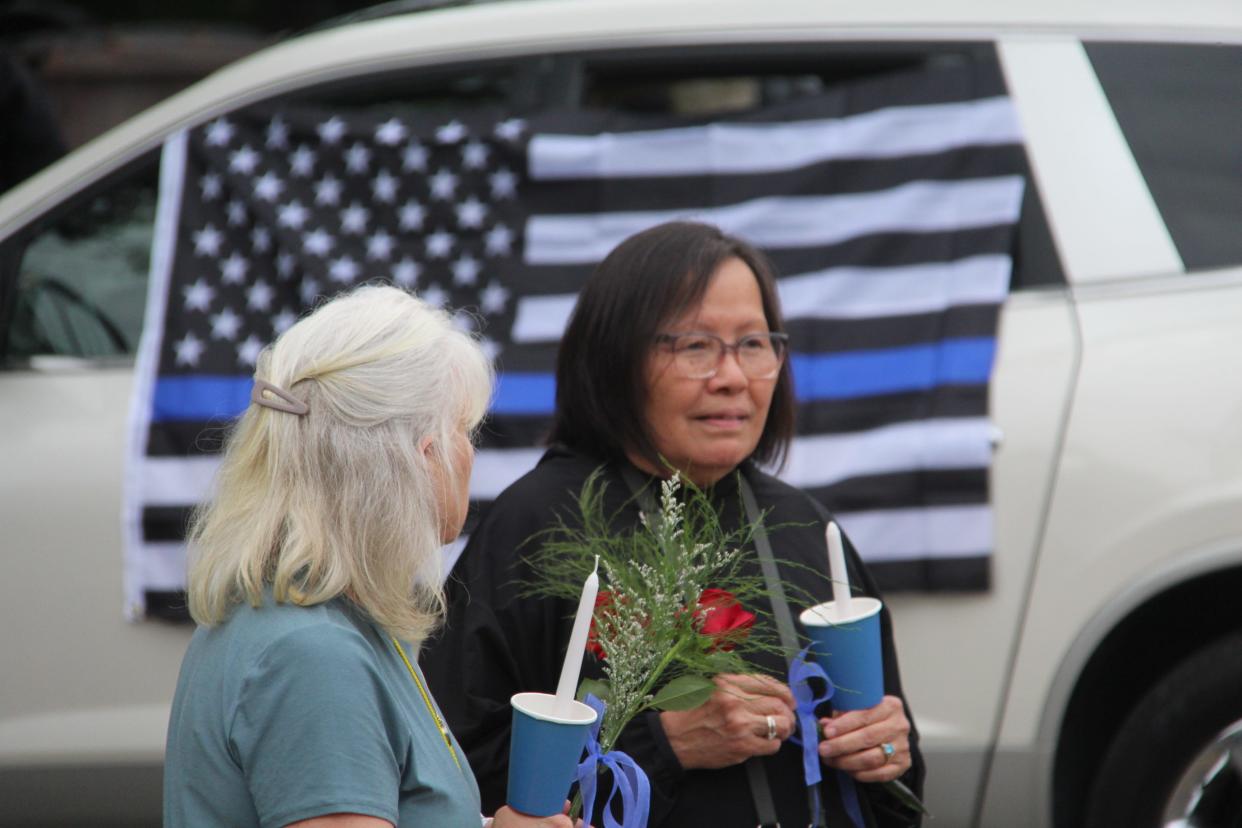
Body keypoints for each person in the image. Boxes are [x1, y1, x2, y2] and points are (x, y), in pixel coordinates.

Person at [421, 222, 925, 826]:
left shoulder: (803, 526)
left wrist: (889, 753)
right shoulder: (537, 526)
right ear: (615, 360)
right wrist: (666, 746)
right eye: (694, 346)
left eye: (754, 344)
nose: (733, 377)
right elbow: (449, 774)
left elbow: (899, 783)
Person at [163, 285, 576, 828]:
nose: (470, 452)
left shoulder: (315, 616)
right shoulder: (313, 656)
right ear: (423, 462)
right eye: (464, 429)